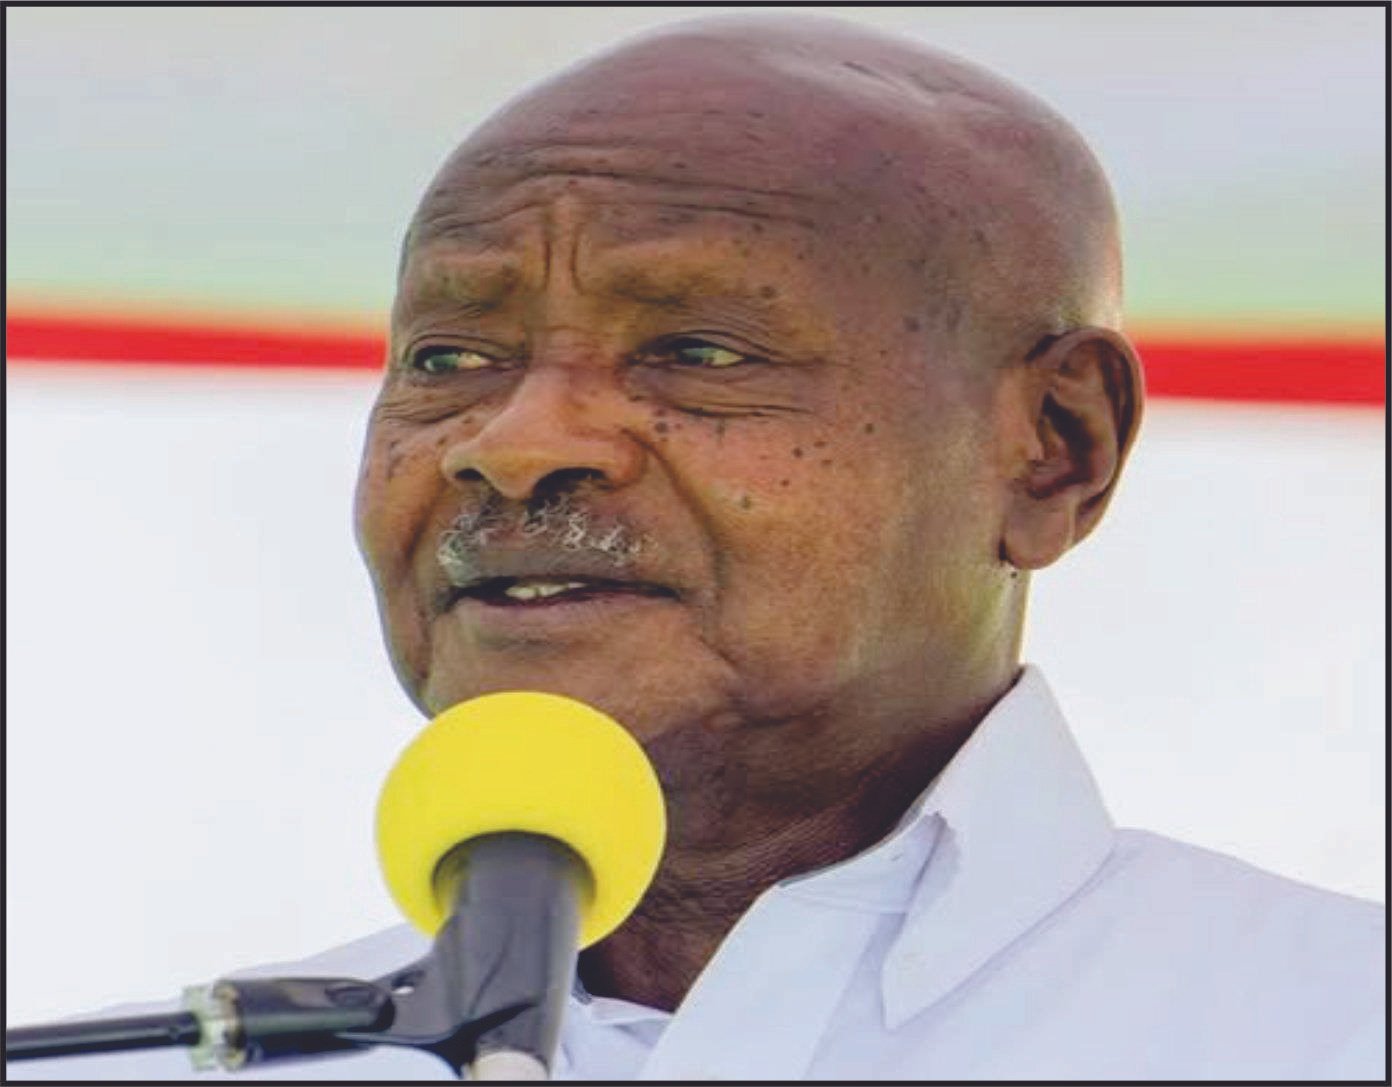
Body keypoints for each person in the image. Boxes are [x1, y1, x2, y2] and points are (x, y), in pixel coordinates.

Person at [11, 14, 1381, 1082]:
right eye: (449, 358)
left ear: (1055, 447)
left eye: (698, 350)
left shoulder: (1328, 1025)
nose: (515, 444)